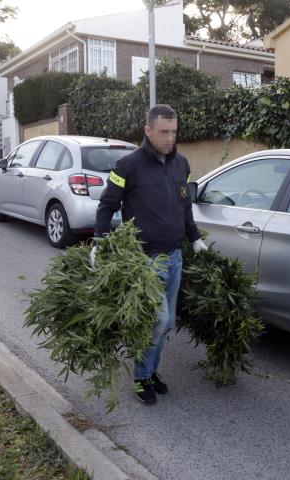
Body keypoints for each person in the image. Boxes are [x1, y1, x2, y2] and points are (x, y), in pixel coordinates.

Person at [94, 104, 207, 405]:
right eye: (163, 132)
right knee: (158, 319)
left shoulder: (181, 164)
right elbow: (107, 206)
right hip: (144, 259)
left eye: (173, 131)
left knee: (167, 323)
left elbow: (184, 205)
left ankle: (151, 371)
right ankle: (141, 375)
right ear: (147, 131)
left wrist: (194, 237)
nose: (170, 138)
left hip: (175, 256)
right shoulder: (126, 166)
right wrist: (99, 241)